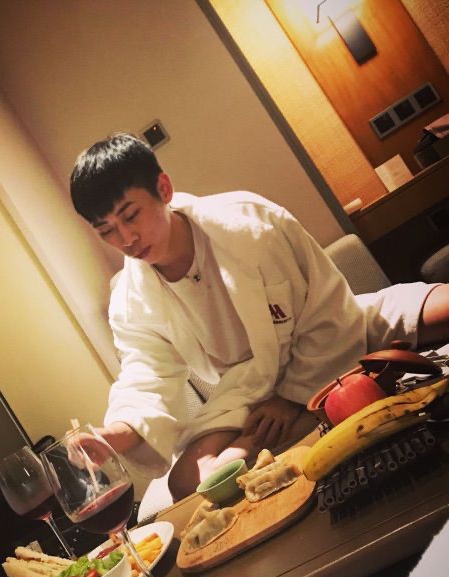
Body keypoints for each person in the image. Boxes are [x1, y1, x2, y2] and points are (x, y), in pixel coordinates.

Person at [69, 132, 449, 501]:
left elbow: (326, 305)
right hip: (249, 383)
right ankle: (285, 424)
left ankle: (323, 396)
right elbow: (147, 375)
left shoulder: (248, 223)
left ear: (164, 189)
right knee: (185, 483)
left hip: (332, 329)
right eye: (107, 231)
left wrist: (290, 398)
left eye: (131, 215)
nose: (126, 239)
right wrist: (114, 435)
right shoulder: (131, 299)